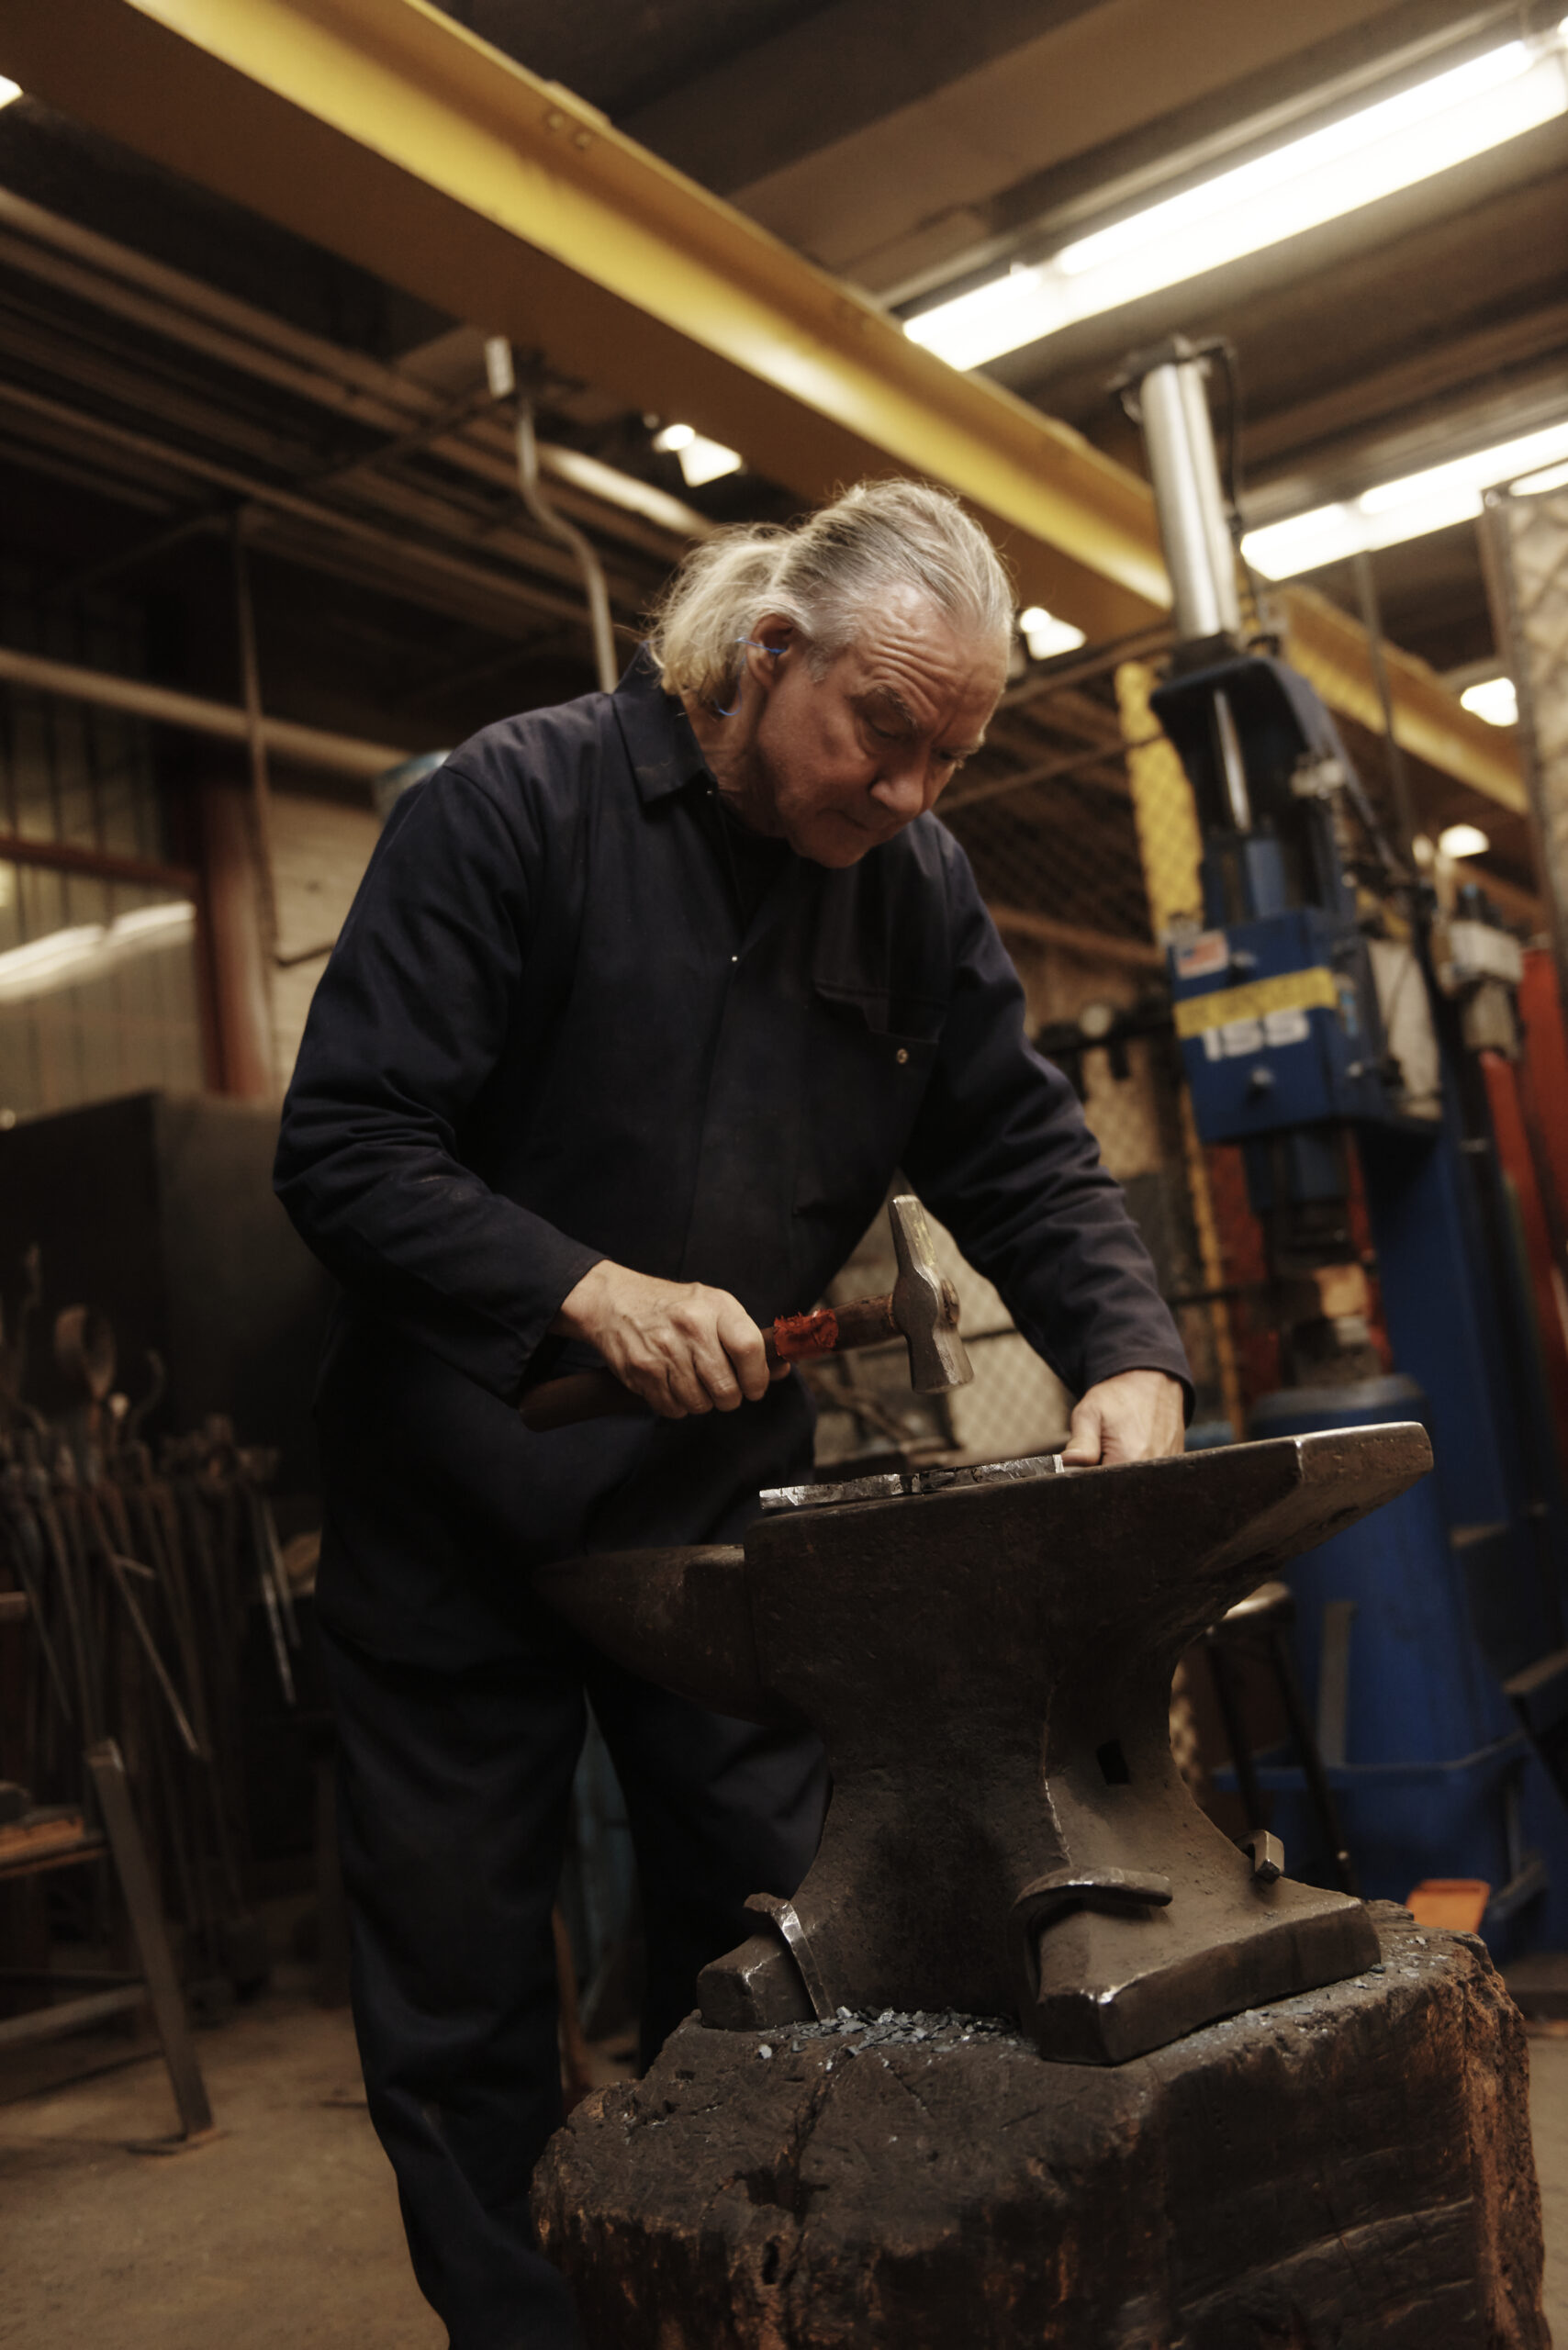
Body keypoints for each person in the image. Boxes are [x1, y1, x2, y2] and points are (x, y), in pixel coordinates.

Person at [274, 478, 1189, 2349]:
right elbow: (345, 1145)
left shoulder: (909, 888)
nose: (914, 793)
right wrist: (577, 1286)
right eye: (882, 734)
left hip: (700, 1524)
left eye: (952, 753)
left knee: (783, 1941)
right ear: (766, 654)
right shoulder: (509, 808)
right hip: (449, 1510)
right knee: (460, 2011)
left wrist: (1129, 1352)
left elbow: (1018, 1152)